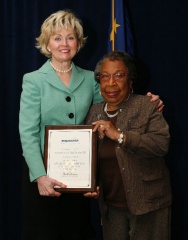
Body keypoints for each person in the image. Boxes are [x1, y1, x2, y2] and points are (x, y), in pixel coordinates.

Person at [19, 10, 164, 240]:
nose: (64, 44)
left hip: (79, 179)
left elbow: (115, 105)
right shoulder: (34, 80)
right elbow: (27, 134)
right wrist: (40, 176)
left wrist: (147, 102)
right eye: (57, 38)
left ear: (78, 41)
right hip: (44, 179)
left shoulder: (90, 79)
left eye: (70, 37)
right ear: (47, 43)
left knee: (77, 232)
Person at [85, 50, 172, 240]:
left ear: (130, 80)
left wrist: (120, 136)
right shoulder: (93, 112)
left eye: (119, 75)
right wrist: (91, 182)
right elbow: (89, 156)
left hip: (148, 204)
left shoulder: (147, 106)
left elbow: (161, 144)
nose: (111, 83)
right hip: (110, 207)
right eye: (105, 76)